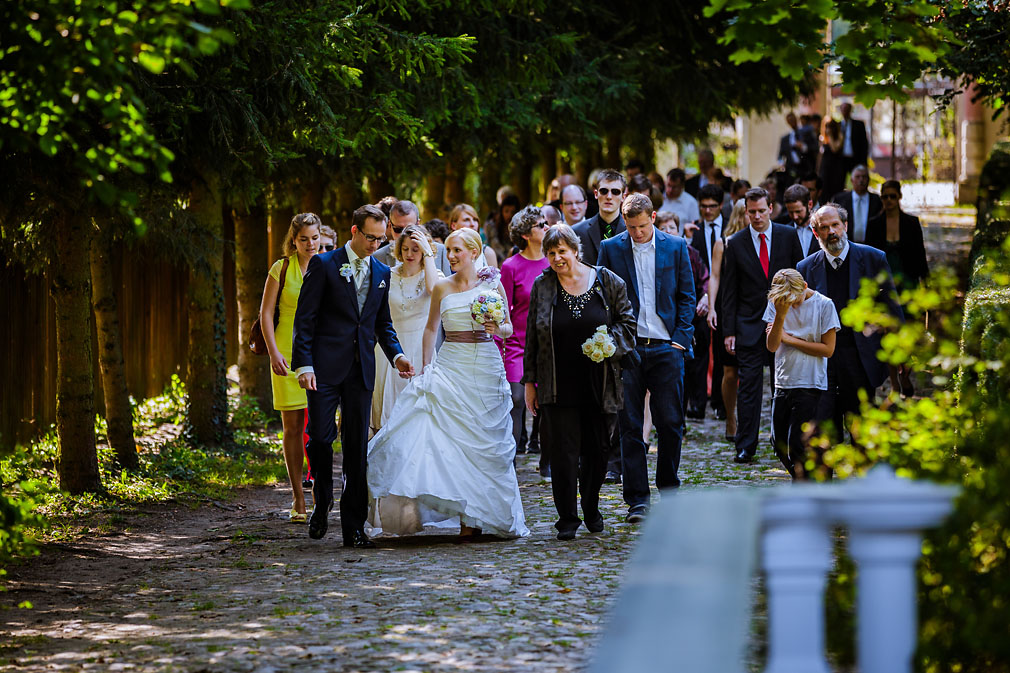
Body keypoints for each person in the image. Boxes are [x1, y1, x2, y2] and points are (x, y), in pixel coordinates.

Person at [367, 228, 529, 539]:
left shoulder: (492, 283)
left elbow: (508, 327)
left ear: (473, 251)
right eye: (449, 251)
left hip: (486, 364)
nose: (451, 256)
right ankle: (462, 513)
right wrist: (427, 368)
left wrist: (497, 327)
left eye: (457, 251)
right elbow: (431, 330)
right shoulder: (442, 288)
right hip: (452, 361)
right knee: (453, 438)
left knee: (484, 440)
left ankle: (480, 516)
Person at [292, 204, 415, 549]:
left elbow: (381, 323)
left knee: (357, 448)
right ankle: (322, 499)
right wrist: (304, 366)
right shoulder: (325, 265)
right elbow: (306, 320)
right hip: (323, 368)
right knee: (319, 437)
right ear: (354, 232)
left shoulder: (381, 272)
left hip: (361, 369)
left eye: (381, 238)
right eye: (371, 237)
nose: (376, 244)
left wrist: (398, 355)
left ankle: (353, 528)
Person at [523, 224, 637, 539]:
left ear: (575, 250)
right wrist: (529, 382)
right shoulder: (542, 286)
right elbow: (533, 335)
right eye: (551, 253)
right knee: (562, 452)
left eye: (562, 251)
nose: (557, 258)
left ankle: (590, 504)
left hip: (599, 382)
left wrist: (609, 342)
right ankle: (567, 519)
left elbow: (628, 324)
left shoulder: (607, 282)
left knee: (598, 449)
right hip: (556, 383)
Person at [598, 194, 695, 523]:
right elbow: (604, 299)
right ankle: (637, 499)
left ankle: (668, 488)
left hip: (667, 347)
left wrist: (680, 341)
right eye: (631, 227)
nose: (637, 233)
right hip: (629, 348)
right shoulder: (611, 249)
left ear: (653, 217)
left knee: (670, 423)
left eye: (642, 226)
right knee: (630, 427)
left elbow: (686, 295)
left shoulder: (676, 246)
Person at [797, 204, 902, 445]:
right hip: (822, 361)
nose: (831, 231)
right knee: (823, 431)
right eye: (824, 228)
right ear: (816, 233)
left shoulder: (873, 258)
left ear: (846, 226)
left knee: (861, 430)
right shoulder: (805, 268)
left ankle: (861, 481)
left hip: (860, 358)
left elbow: (892, 308)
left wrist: (899, 358)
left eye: (835, 225)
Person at [720, 187, 804, 464]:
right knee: (749, 387)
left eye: (761, 210)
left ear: (771, 208)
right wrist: (729, 331)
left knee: (784, 385)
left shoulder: (788, 235)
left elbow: (799, 278)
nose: (756, 216)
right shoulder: (735, 242)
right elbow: (728, 291)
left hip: (784, 322)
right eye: (751, 212)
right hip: (748, 325)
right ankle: (745, 445)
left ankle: (787, 441)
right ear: (745, 212)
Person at [259, 212, 321, 523]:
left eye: (314, 238)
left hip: (321, 355)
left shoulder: (330, 266)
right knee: (293, 428)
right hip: (285, 352)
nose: (310, 244)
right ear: (293, 241)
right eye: (303, 239)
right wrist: (273, 353)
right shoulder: (281, 268)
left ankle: (320, 494)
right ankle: (298, 496)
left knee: (321, 429)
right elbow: (266, 314)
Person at [763, 269, 839, 480]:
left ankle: (804, 489)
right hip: (783, 381)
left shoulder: (824, 305)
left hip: (810, 383)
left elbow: (828, 349)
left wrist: (791, 340)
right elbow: (771, 346)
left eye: (795, 300)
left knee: (798, 444)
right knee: (778, 443)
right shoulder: (779, 303)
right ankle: (806, 481)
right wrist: (780, 315)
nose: (793, 305)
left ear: (804, 286)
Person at [370, 224, 443, 432]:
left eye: (416, 249)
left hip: (420, 347)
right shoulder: (386, 274)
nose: (409, 254)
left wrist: (428, 254)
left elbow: (432, 290)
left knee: (417, 414)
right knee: (385, 410)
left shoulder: (433, 275)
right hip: (389, 348)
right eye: (405, 249)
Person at [865, 179, 928, 396]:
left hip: (908, 283)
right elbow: (868, 258)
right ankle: (893, 382)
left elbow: (920, 255)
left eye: (893, 196)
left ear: (899, 197)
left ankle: (905, 374)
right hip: (885, 285)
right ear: (881, 198)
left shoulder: (911, 222)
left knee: (907, 332)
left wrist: (925, 283)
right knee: (887, 333)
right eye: (885, 196)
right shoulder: (874, 224)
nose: (889, 200)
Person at [501, 207, 551, 475]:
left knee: (546, 402)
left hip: (547, 345)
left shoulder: (553, 263)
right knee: (517, 399)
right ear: (524, 234)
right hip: (517, 346)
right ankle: (509, 458)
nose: (546, 226)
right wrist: (500, 347)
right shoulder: (510, 267)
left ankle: (547, 460)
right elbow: (503, 309)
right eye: (539, 224)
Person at [705, 199, 749, 440]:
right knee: (729, 372)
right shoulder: (723, 244)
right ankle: (730, 417)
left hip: (751, 309)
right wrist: (712, 308)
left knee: (750, 371)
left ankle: (747, 420)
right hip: (727, 309)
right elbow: (714, 277)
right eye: (745, 213)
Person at [374, 200, 452, 275]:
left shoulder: (441, 251)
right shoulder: (378, 257)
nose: (403, 235)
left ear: (418, 224)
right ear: (390, 225)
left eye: (409, 229)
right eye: (398, 229)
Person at [574, 169, 627, 266]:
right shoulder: (577, 232)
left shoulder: (632, 231)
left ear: (623, 196)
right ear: (596, 194)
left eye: (615, 192)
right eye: (604, 191)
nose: (609, 196)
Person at [831, 165, 882, 244]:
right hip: (846, 246)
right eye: (857, 177)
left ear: (868, 180)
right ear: (852, 180)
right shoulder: (839, 200)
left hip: (871, 246)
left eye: (864, 177)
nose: (861, 180)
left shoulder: (876, 200)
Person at [449, 203, 497, 268]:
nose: (473, 224)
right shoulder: (445, 252)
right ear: (453, 225)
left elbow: (494, 277)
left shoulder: (487, 253)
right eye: (466, 220)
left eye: (475, 220)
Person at [782, 184, 820, 257]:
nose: (795, 216)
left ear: (810, 204)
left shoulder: (822, 228)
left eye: (798, 211)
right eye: (790, 212)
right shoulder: (784, 232)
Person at [778, 111, 817, 180]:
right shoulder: (785, 139)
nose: (792, 122)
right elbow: (780, 156)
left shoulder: (806, 133)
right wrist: (782, 164)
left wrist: (804, 147)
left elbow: (815, 147)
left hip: (805, 168)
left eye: (793, 120)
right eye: (789, 120)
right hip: (791, 169)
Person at [484, 194, 520, 266]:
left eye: (512, 212)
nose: (509, 215)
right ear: (501, 211)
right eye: (506, 211)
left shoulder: (520, 228)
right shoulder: (492, 227)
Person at [818, 118, 847, 202]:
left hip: (836, 169)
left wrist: (830, 136)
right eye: (826, 126)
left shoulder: (840, 137)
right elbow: (820, 156)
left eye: (830, 127)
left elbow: (835, 149)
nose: (828, 129)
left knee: (836, 192)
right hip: (825, 169)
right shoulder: (822, 139)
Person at [839, 102, 869, 174]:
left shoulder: (859, 125)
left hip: (856, 158)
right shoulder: (838, 125)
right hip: (841, 159)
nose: (845, 112)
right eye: (843, 109)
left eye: (846, 109)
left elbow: (864, 143)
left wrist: (863, 161)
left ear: (850, 110)